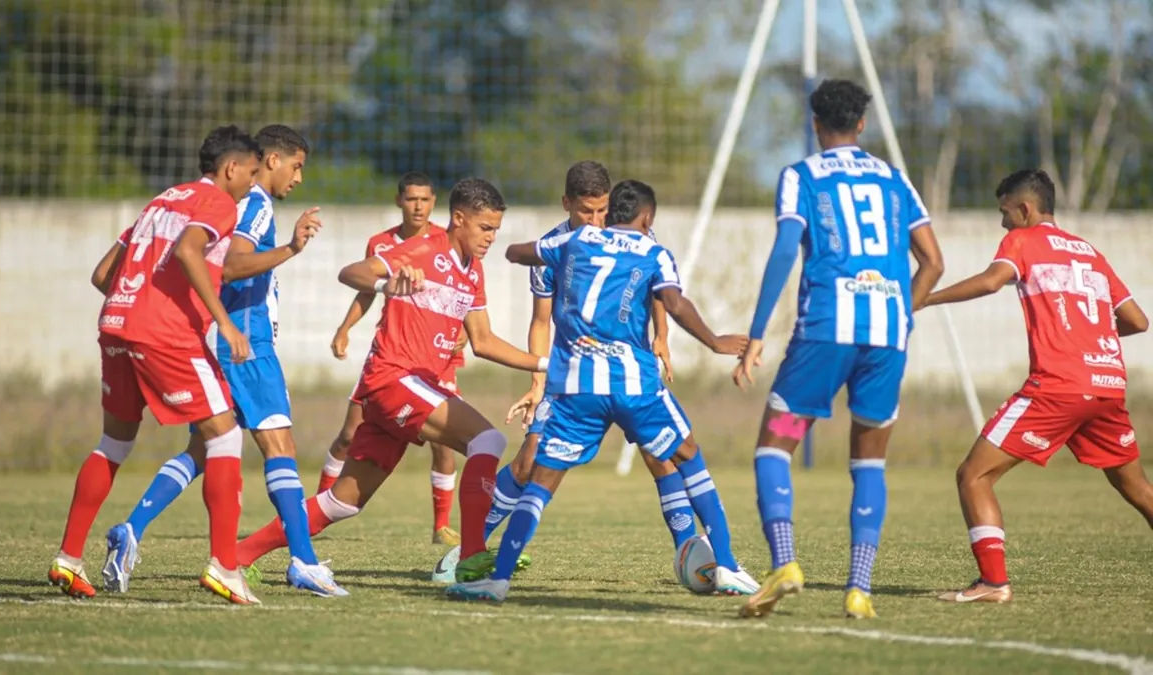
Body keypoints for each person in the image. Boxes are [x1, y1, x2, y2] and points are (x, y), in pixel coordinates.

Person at [446, 179, 760, 603]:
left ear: (609, 212)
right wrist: (715, 342)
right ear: (646, 219)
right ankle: (727, 565)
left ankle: (498, 579)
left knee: (541, 481)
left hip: (578, 386)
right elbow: (675, 302)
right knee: (688, 458)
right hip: (634, 383)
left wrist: (541, 254)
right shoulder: (655, 252)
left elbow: (515, 252)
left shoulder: (573, 240)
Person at [233, 178, 545, 583]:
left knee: (343, 502)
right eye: (485, 228)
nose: (491, 238)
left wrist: (543, 364)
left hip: (413, 387)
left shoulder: (473, 272)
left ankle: (237, 555)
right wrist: (387, 283)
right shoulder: (422, 249)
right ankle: (471, 555)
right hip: (394, 379)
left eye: (496, 231)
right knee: (488, 440)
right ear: (458, 218)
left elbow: (483, 342)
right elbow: (352, 273)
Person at [98, 125, 347, 598]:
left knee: (203, 450)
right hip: (247, 342)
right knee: (280, 446)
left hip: (225, 342)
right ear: (271, 161)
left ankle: (131, 528)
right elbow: (233, 263)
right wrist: (291, 249)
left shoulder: (238, 203)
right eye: (296, 167)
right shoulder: (256, 205)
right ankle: (304, 562)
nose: (298, 179)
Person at [731, 79, 945, 620]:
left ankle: (784, 563)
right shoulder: (896, 181)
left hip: (826, 331)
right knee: (869, 461)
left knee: (774, 446)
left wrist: (756, 333)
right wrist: (901, 313)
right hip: (887, 339)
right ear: (863, 124)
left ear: (814, 123)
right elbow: (934, 263)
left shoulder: (801, 175)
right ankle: (859, 589)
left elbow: (785, 247)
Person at [48, 125, 262, 604]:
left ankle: (68, 557)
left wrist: (135, 306)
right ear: (230, 168)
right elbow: (189, 250)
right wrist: (223, 323)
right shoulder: (219, 204)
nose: (252, 182)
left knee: (113, 443)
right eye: (250, 173)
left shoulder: (160, 201)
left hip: (116, 323)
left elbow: (103, 274)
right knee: (224, 434)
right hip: (163, 333)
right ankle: (226, 566)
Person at [919, 168, 1152, 603]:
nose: (1003, 223)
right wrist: (1089, 336)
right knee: (1137, 488)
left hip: (1058, 386)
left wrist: (927, 298)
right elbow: (1138, 321)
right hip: (1107, 384)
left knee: (974, 475)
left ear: (1025, 209)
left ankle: (992, 583)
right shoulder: (1090, 252)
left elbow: (992, 281)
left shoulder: (1023, 241)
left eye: (1005, 213)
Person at [481, 161, 701, 562]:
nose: (597, 220)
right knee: (529, 461)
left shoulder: (631, 235)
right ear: (567, 204)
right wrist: (536, 382)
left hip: (628, 370)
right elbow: (540, 320)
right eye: (587, 211)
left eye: (602, 210)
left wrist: (663, 337)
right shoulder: (552, 249)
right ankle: (471, 546)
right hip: (572, 377)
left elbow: (658, 290)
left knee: (661, 458)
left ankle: (690, 553)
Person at [324, 172, 463, 547]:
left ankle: (441, 527)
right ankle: (320, 505)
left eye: (425, 199)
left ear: (435, 202)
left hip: (437, 356)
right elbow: (367, 289)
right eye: (411, 199)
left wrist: (460, 335)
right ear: (400, 201)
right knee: (350, 434)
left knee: (445, 441)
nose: (418, 206)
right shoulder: (381, 244)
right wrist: (345, 327)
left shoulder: (443, 240)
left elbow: (463, 294)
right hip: (391, 354)